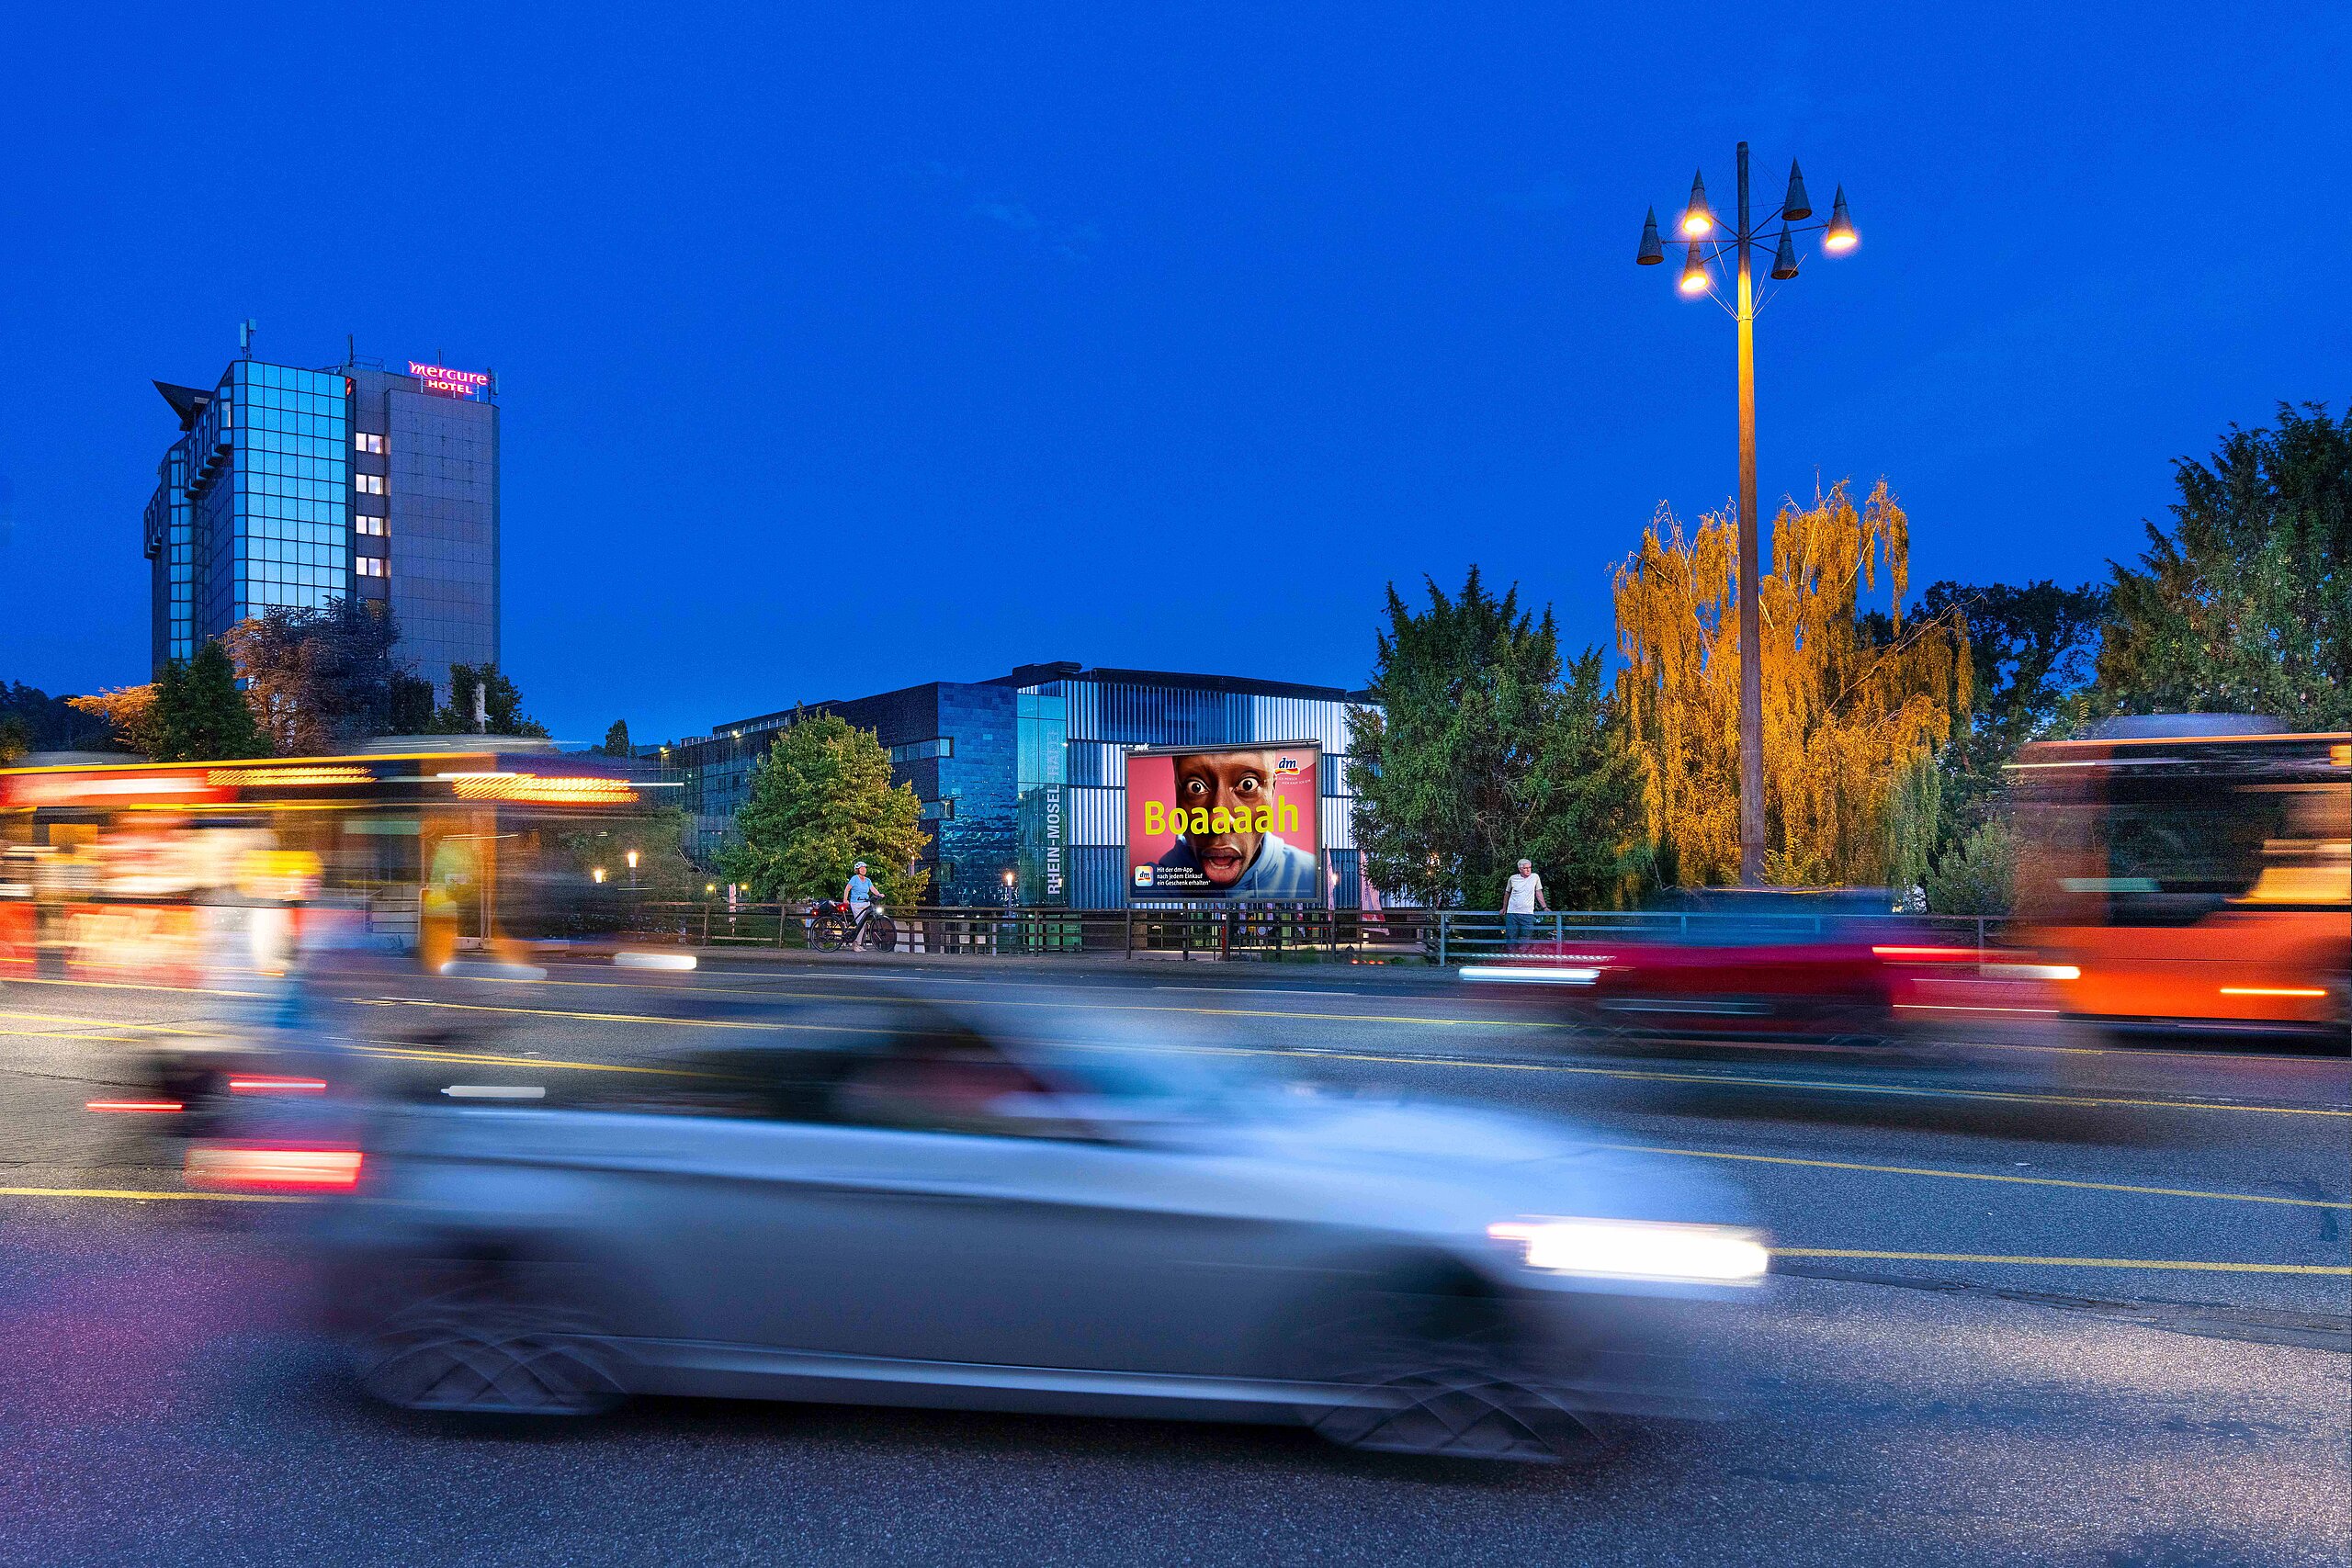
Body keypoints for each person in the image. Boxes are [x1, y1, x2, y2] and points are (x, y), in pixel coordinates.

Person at [1150, 749, 1319, 899]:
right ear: (1177, 793)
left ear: (1272, 792)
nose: (1219, 821)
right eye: (1195, 787)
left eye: (1248, 785)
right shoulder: (1149, 883)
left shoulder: (1310, 875)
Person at [1502, 858, 1547, 948]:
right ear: (1520, 869)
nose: (1528, 870)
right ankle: (1511, 959)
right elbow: (1507, 893)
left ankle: (1523, 960)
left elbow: (1538, 892)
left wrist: (1544, 907)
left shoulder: (1535, 877)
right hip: (1512, 913)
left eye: (1529, 867)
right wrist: (1504, 908)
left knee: (1526, 938)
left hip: (1527, 914)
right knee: (1511, 938)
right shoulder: (1513, 878)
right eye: (1525, 868)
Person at [842, 862, 880, 949]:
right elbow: (847, 889)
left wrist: (879, 894)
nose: (864, 870)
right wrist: (845, 899)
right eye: (862, 868)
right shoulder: (854, 878)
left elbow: (872, 889)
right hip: (856, 903)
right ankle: (855, 944)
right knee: (860, 923)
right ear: (858, 870)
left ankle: (858, 944)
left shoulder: (867, 880)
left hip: (866, 903)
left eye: (865, 868)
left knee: (864, 924)